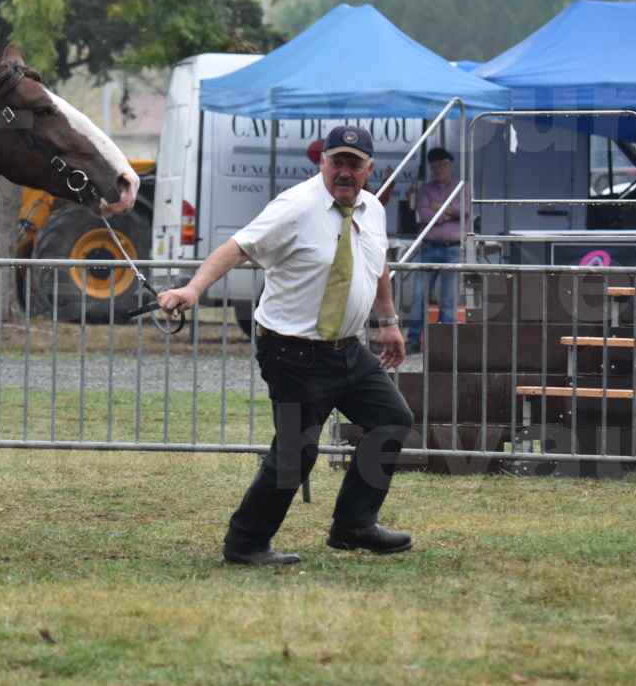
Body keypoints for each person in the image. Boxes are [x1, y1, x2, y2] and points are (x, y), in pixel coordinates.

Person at [158, 126, 414, 565]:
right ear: (322, 162)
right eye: (338, 162)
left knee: (391, 419)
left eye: (355, 164)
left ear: (370, 169)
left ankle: (354, 525)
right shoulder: (295, 207)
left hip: (347, 348)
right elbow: (237, 248)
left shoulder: (372, 209)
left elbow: (379, 263)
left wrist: (388, 321)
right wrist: (193, 290)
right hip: (291, 352)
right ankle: (245, 544)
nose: (345, 172)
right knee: (298, 450)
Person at [405, 147, 464, 352]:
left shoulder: (461, 187)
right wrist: (449, 213)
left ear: (450, 164)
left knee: (449, 299)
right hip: (428, 247)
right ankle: (413, 341)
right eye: (435, 166)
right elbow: (424, 215)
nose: (438, 169)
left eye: (442, 164)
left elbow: (464, 210)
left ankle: (444, 346)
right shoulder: (424, 190)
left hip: (453, 249)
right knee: (419, 296)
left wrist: (438, 207)